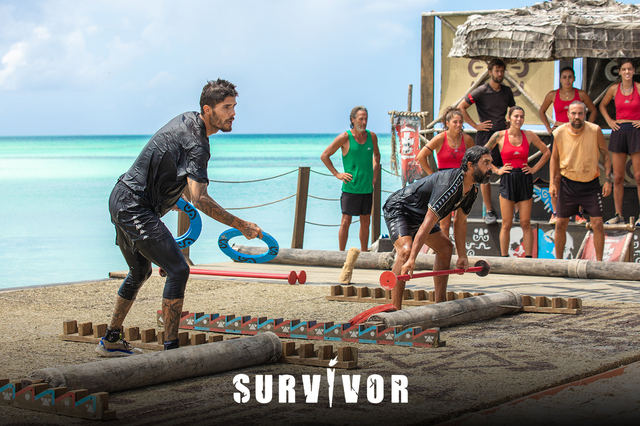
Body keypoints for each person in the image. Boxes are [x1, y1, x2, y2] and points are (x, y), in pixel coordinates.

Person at [97, 79, 263, 356]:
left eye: (234, 106)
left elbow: (169, 165)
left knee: (140, 272)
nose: (233, 113)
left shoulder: (188, 119)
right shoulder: (198, 144)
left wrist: (172, 197)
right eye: (226, 107)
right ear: (208, 109)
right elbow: (200, 199)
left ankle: (111, 340)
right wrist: (241, 225)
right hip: (135, 206)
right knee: (178, 269)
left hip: (122, 197)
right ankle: (171, 351)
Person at [383, 146, 493, 310]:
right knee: (406, 252)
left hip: (421, 216)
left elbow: (460, 222)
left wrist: (462, 255)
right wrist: (412, 259)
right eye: (486, 163)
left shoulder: (472, 190)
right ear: (471, 165)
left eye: (491, 163)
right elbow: (427, 224)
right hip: (399, 209)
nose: (491, 167)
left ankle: (440, 307)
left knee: (446, 248)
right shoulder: (448, 185)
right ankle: (395, 310)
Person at [550, 101, 612, 261]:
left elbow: (605, 155)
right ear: (568, 115)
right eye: (573, 113)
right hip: (567, 184)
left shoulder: (595, 130)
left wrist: (608, 180)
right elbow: (554, 158)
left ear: (585, 114)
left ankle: (599, 263)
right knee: (560, 224)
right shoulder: (559, 132)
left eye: (580, 113)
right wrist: (552, 182)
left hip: (591, 184)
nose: (577, 117)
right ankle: (558, 263)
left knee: (598, 224)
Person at [485, 106, 550, 258]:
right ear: (509, 118)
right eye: (516, 116)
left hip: (524, 178)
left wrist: (534, 169)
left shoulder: (529, 135)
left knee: (525, 223)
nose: (519, 119)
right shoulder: (499, 135)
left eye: (521, 116)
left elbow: (547, 152)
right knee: (506, 224)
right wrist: (497, 170)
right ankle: (504, 258)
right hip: (507, 179)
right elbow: (482, 154)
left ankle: (528, 259)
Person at [458, 58, 515, 225]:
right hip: (485, 136)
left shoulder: (507, 91)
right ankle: (489, 211)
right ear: (490, 72)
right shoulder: (481, 90)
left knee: (509, 170)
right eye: (497, 71)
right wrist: (475, 125)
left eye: (502, 71)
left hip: (503, 137)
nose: (500, 74)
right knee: (485, 173)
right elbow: (461, 107)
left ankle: (514, 211)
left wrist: (509, 121)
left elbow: (513, 108)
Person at [539, 66, 598, 224]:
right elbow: (542, 111)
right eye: (564, 77)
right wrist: (548, 128)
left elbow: (593, 111)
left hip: (577, 136)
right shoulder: (552, 94)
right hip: (559, 135)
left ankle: (579, 214)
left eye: (570, 77)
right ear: (560, 79)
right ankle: (555, 213)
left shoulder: (581, 94)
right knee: (556, 175)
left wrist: (587, 128)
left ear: (574, 78)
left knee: (577, 173)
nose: (567, 80)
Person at [321, 106, 381, 251]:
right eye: (361, 119)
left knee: (366, 222)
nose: (364, 122)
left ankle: (364, 253)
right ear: (352, 120)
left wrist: (375, 172)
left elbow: (377, 155)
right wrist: (337, 174)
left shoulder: (372, 136)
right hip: (350, 187)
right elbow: (324, 156)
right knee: (345, 221)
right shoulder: (345, 137)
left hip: (366, 188)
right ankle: (341, 254)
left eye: (366, 119)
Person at [416, 106, 475, 239]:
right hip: (444, 183)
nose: (458, 124)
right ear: (447, 123)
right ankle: (445, 250)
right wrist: (433, 175)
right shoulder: (440, 138)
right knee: (445, 222)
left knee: (460, 222)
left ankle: (460, 251)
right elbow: (421, 156)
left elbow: (477, 159)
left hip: (462, 182)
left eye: (460, 122)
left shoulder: (467, 139)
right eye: (455, 122)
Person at [598, 59, 640, 226]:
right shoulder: (614, 89)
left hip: (636, 131)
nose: (627, 72)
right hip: (619, 131)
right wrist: (610, 121)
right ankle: (618, 215)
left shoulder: (638, 87)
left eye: (629, 69)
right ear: (620, 72)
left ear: (634, 71)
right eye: (624, 69)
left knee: (639, 176)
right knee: (618, 177)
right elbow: (602, 106)